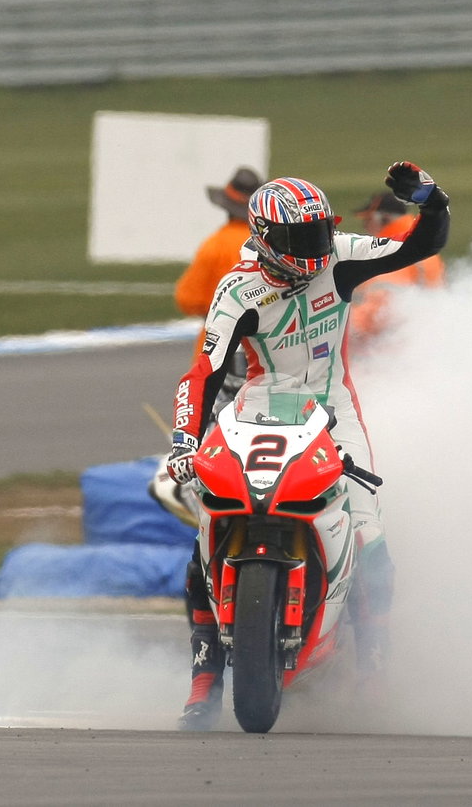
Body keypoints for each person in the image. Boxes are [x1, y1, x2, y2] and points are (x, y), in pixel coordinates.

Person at [164, 162, 450, 731]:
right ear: (268, 240)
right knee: (207, 527)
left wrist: (431, 201)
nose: (319, 247)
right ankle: (204, 676)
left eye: (322, 231)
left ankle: (372, 666)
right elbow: (203, 372)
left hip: (333, 411)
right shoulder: (237, 289)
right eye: (304, 238)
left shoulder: (340, 256)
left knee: (372, 538)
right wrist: (184, 442)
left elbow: (421, 244)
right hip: (256, 409)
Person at [173, 167, 263, 351]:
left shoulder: (215, 245)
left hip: (219, 343)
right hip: (269, 343)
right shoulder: (272, 243)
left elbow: (187, 299)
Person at [348, 191, 446, 343]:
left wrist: (344, 326)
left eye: (368, 220)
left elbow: (380, 308)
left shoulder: (390, 251)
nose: (365, 226)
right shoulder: (422, 245)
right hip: (425, 336)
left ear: (385, 218)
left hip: (393, 344)